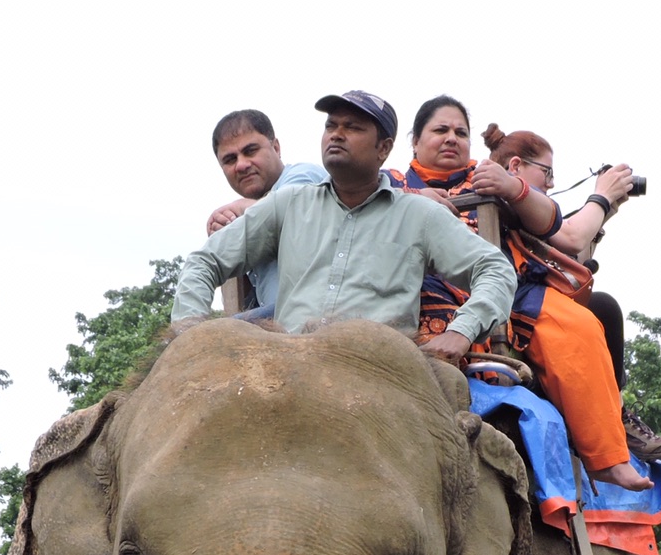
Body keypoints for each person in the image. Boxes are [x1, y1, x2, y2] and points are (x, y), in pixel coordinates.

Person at [391, 100, 653, 491]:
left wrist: (513, 188)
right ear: (414, 141)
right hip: (418, 293)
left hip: (504, 294)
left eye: (460, 133)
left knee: (581, 324)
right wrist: (410, 201)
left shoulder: (487, 176)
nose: (451, 139)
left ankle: (608, 457)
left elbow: (557, 227)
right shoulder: (392, 182)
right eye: (440, 130)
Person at [172, 91, 515, 366]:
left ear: (384, 148)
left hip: (379, 371)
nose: (336, 134)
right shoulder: (288, 204)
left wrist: (461, 331)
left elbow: (495, 269)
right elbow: (205, 262)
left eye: (352, 127)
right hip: (285, 364)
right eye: (331, 125)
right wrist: (188, 337)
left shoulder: (418, 214)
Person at [203, 109, 328, 314]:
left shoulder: (304, 176)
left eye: (250, 151)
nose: (241, 165)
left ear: (276, 148)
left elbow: (294, 215)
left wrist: (240, 209)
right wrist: (226, 233)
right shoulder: (248, 212)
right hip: (278, 323)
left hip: (316, 316)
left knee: (213, 336)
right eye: (230, 159)